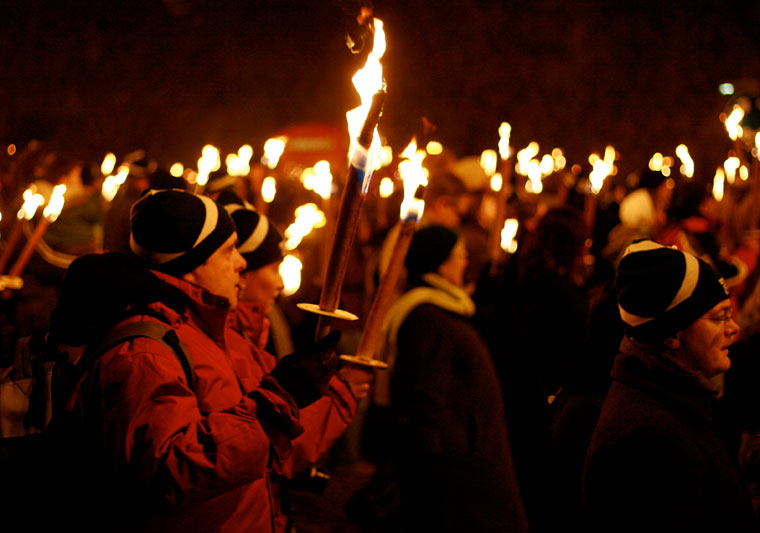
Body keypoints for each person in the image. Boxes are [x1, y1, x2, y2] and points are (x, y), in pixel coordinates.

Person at [53, 189, 341, 532]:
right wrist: (278, 404)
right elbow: (168, 472)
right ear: (191, 264)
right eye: (229, 250)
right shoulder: (143, 354)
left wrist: (320, 388)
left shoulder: (206, 334)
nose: (242, 262)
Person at [218, 191, 373, 527]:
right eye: (274, 268)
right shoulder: (226, 346)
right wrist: (340, 393)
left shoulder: (253, 333)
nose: (280, 282)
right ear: (241, 271)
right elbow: (273, 445)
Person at [583, 239, 757, 532]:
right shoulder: (651, 440)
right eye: (719, 318)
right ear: (673, 334)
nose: (734, 328)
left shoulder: (676, 402)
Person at [370, 225, 528, 532]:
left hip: (466, 462)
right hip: (458, 476)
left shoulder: (439, 310)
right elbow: (426, 400)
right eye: (460, 256)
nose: (465, 263)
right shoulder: (427, 316)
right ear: (440, 262)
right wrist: (437, 469)